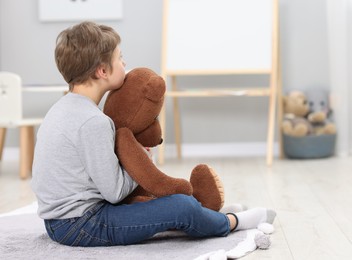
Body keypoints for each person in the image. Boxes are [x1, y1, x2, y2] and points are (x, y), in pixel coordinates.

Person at [31, 21, 276, 247]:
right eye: (120, 58)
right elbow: (115, 193)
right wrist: (142, 155)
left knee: (162, 206)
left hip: (60, 222)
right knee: (182, 206)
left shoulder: (61, 109)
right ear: (102, 71)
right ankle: (232, 222)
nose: (125, 64)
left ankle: (205, 216)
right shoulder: (93, 122)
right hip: (82, 225)